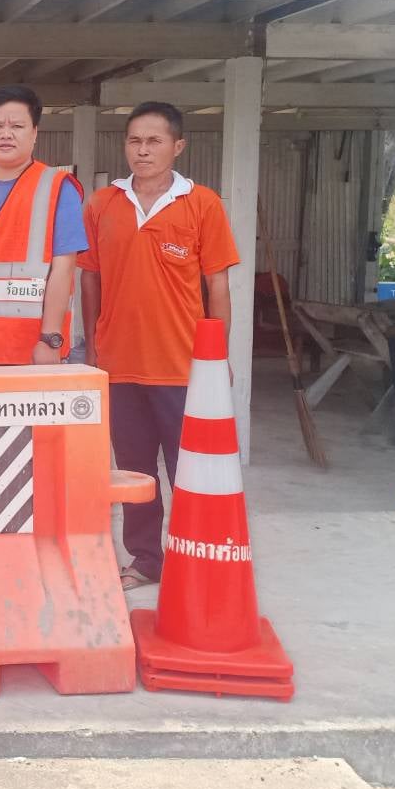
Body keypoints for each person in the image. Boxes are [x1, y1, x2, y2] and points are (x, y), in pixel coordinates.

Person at [77, 101, 240, 590]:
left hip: (182, 367)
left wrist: (217, 357)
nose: (143, 150)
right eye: (134, 140)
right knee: (134, 472)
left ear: (178, 146)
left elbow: (218, 286)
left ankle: (196, 559)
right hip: (120, 364)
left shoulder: (202, 204)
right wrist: (93, 346)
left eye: (154, 141)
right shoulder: (102, 204)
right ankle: (147, 560)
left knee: (191, 471)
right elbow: (90, 279)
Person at [0, 85, 87, 365]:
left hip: (29, 352)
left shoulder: (58, 187)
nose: (5, 134)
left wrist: (50, 339)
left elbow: (64, 269)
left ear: (34, 133)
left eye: (17, 126)